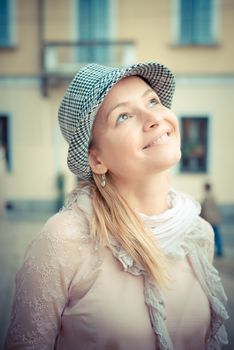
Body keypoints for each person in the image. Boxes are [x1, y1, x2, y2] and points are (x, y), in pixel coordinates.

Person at [4, 62, 228, 350]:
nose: (153, 118)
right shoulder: (65, 239)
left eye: (153, 101)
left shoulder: (198, 235)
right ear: (96, 159)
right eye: (123, 116)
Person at [201, 182, 223, 257]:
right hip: (211, 221)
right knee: (213, 236)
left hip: (211, 221)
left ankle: (219, 250)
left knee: (215, 236)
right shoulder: (209, 198)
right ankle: (214, 251)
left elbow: (209, 211)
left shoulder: (209, 198)